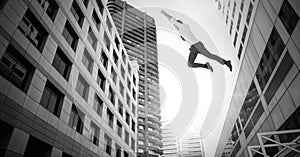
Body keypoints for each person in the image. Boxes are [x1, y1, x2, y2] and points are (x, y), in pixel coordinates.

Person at [161, 10, 232, 72]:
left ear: (178, 23)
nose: (175, 27)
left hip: (196, 45)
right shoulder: (184, 28)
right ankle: (207, 65)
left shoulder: (182, 26)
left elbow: (172, 19)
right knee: (191, 63)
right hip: (195, 46)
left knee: (210, 56)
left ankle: (225, 62)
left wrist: (164, 13)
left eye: (175, 25)